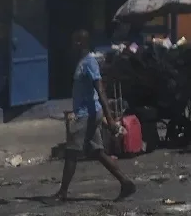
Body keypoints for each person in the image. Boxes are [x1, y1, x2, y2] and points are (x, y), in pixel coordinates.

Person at [57, 31, 135, 202]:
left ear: (79, 43)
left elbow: (100, 90)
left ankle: (62, 192)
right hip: (86, 112)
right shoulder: (82, 62)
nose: (71, 45)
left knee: (71, 151)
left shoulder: (90, 62)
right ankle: (125, 182)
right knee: (97, 151)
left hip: (87, 114)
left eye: (74, 41)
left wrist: (111, 120)